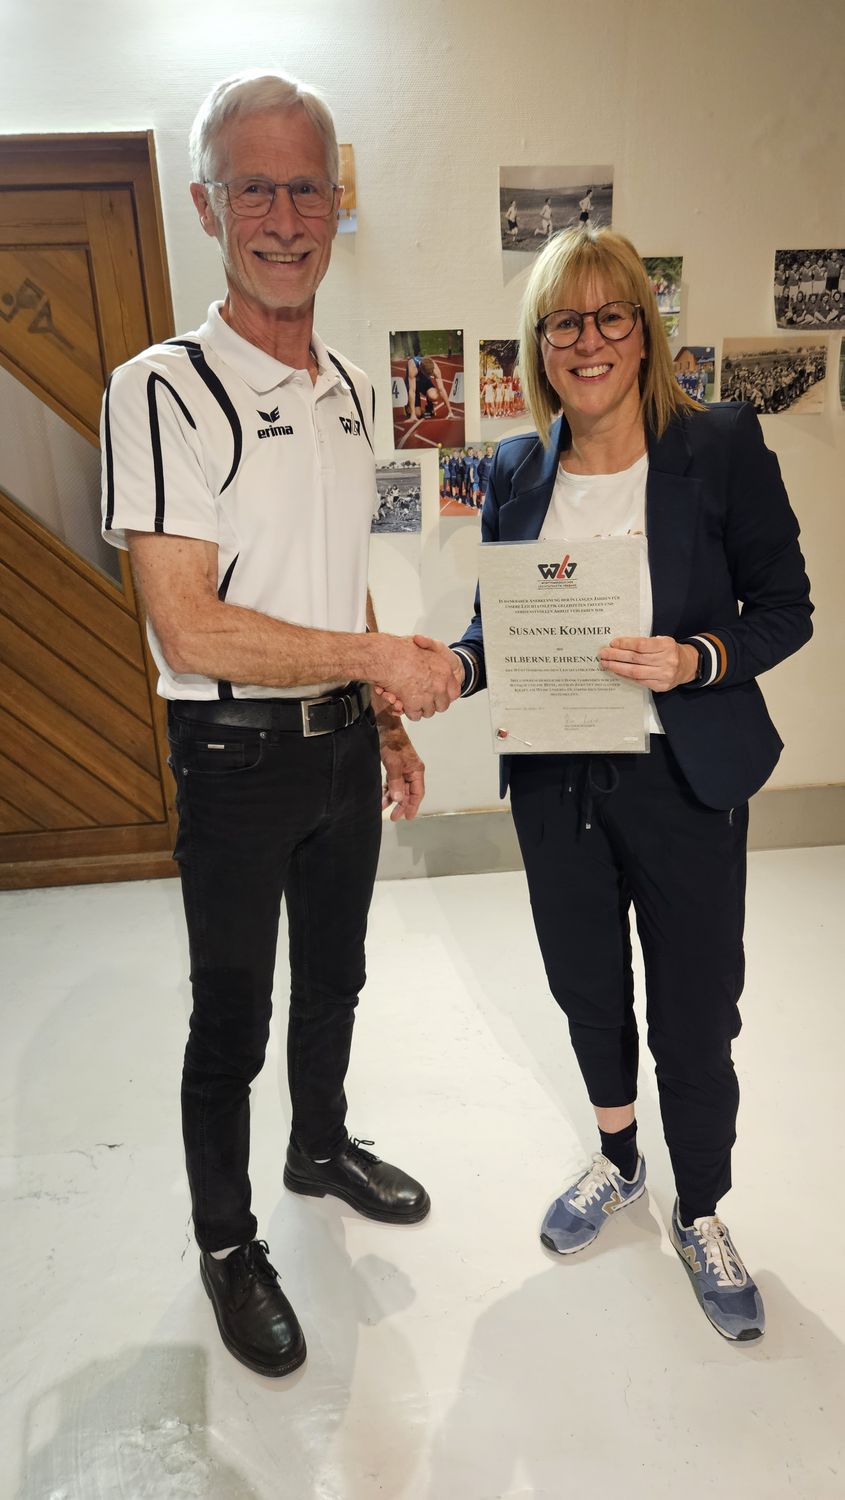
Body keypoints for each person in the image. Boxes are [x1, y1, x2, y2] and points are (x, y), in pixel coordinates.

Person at [100, 69, 462, 1380]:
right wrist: (380, 657)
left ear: (336, 202)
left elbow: (332, 566)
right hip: (235, 757)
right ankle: (226, 1243)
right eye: (254, 187)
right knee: (231, 1019)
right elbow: (189, 628)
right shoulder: (161, 391)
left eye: (307, 187)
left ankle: (318, 1146)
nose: (285, 216)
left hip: (341, 749)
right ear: (207, 206)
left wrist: (383, 716)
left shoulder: (354, 386)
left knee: (339, 975)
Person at [447, 228, 813, 1342]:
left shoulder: (718, 445)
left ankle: (699, 1210)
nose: (588, 339)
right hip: (555, 780)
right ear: (539, 343)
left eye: (611, 316)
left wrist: (693, 658)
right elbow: (496, 627)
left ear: (643, 333)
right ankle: (618, 1159)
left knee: (694, 1007)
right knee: (586, 987)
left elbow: (784, 610)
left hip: (681, 776)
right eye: (564, 321)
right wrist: (451, 666)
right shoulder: (516, 469)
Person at [407, 353, 453, 419]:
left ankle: (429, 407)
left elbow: (441, 389)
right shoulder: (413, 367)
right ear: (421, 370)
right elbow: (412, 391)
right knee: (417, 414)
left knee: (434, 395)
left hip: (424, 381)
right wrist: (413, 414)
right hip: (412, 382)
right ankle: (408, 408)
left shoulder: (434, 368)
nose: (430, 376)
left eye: (430, 374)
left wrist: (450, 411)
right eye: (428, 374)